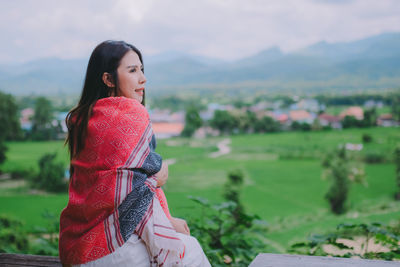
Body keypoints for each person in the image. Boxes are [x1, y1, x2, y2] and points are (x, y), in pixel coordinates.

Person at [59, 40, 210, 267]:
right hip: (108, 249)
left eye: (141, 69)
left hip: (75, 251)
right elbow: (148, 177)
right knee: (190, 248)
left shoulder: (83, 119)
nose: (142, 78)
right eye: (132, 70)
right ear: (108, 79)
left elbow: (124, 182)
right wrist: (166, 218)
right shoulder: (129, 112)